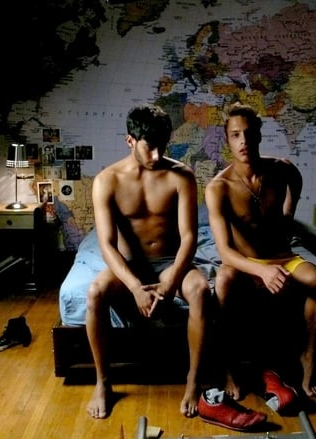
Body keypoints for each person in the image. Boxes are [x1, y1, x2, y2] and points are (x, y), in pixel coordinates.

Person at [85, 104, 210, 419]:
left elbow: (189, 237)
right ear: (130, 140)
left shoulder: (182, 175)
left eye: (162, 146)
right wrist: (135, 287)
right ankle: (103, 382)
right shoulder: (107, 180)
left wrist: (171, 282)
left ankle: (193, 380)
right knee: (95, 293)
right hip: (131, 266)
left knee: (201, 291)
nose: (156, 155)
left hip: (171, 263)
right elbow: (106, 244)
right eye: (148, 146)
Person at [204, 102, 316, 402]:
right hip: (245, 261)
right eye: (235, 135)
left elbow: (295, 178)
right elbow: (224, 251)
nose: (243, 141)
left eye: (248, 133)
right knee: (223, 283)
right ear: (228, 140)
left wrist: (289, 212)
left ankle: (308, 356)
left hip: (282, 255)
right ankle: (230, 367)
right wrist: (261, 270)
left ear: (258, 135)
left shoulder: (280, 169)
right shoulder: (218, 188)